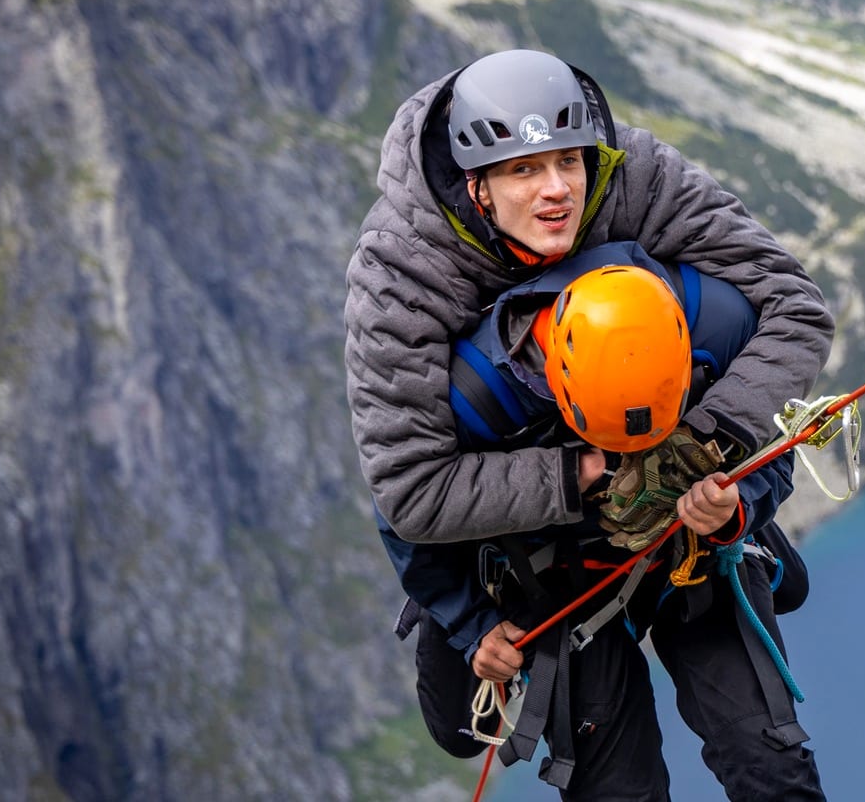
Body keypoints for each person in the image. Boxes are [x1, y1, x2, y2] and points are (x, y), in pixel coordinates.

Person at [345, 48, 834, 795]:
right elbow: (410, 491)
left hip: (684, 521)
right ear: (475, 185)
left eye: (568, 163)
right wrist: (589, 477)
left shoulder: (632, 174)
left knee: (769, 766)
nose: (556, 192)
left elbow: (793, 309)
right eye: (522, 171)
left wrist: (707, 452)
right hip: (540, 548)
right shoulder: (404, 270)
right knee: (596, 779)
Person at [381, 244, 819, 798]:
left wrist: (737, 510)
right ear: (556, 384)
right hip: (560, 573)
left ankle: (740, 539)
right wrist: (473, 626)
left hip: (688, 544)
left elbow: (772, 439)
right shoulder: (475, 395)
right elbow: (408, 514)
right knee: (493, 744)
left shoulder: (724, 322)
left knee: (771, 770)